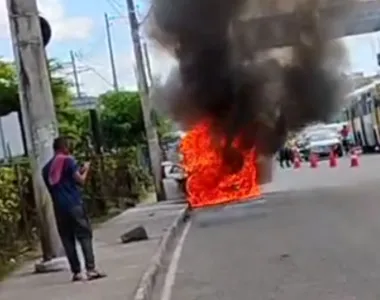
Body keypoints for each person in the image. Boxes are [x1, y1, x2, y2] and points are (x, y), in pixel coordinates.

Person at [42, 137, 106, 282]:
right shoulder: (68, 160)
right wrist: (86, 169)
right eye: (68, 145)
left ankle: (76, 272)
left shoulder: (46, 169)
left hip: (59, 208)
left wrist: (78, 171)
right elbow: (80, 181)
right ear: (64, 147)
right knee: (84, 235)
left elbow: (61, 181)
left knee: (67, 239)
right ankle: (91, 269)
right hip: (74, 205)